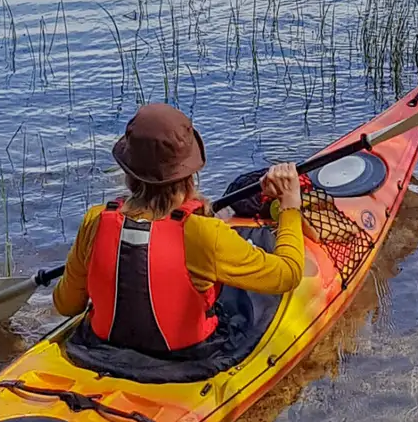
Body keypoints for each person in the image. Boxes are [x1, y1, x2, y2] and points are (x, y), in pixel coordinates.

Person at [52, 102, 306, 360]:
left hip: (100, 353)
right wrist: (289, 205)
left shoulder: (95, 221)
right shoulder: (205, 233)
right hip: (187, 362)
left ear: (129, 173)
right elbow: (289, 273)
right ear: (189, 172)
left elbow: (66, 305)